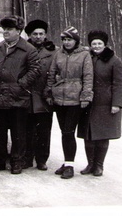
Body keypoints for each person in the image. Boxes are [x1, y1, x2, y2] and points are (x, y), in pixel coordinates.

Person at [0, 15, 40, 175]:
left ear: (18, 31)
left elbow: (36, 70)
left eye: (9, 29)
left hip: (18, 98)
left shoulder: (28, 49)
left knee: (18, 133)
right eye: (4, 29)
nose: (5, 32)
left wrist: (21, 85)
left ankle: (17, 162)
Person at [44, 26, 94, 179]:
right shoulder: (58, 54)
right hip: (59, 98)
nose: (66, 42)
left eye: (69, 39)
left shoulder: (85, 55)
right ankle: (67, 162)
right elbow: (51, 74)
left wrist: (86, 96)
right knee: (65, 132)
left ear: (76, 41)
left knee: (68, 132)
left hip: (75, 99)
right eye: (64, 39)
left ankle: (69, 166)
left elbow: (88, 76)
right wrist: (49, 92)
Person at [77, 30, 122, 176]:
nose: (96, 46)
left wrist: (117, 103)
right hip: (88, 102)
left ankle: (99, 166)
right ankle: (90, 164)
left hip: (105, 103)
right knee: (88, 135)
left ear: (105, 45)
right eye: (94, 43)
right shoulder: (86, 58)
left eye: (100, 43)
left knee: (102, 135)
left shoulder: (114, 60)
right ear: (90, 45)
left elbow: (120, 84)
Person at [24, 20, 58, 171]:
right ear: (29, 35)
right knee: (26, 129)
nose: (38, 37)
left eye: (41, 34)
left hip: (45, 96)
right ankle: (27, 158)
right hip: (26, 96)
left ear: (45, 35)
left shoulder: (53, 52)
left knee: (44, 130)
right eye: (35, 34)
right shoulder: (23, 49)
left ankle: (42, 159)